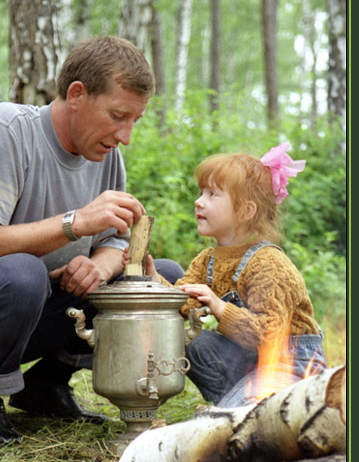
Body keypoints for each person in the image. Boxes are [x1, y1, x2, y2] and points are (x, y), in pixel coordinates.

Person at [0, 35, 183, 444]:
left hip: (35, 314)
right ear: (77, 94)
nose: (125, 135)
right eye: (117, 115)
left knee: (159, 275)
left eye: (135, 120)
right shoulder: (5, 128)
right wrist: (76, 222)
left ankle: (46, 385)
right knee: (24, 272)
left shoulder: (108, 156)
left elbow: (116, 243)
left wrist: (100, 266)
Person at [139, 143, 327, 405]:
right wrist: (155, 281)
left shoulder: (269, 264)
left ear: (245, 211)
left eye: (212, 194)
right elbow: (183, 302)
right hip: (252, 361)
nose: (198, 201)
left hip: (289, 364)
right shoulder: (209, 259)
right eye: (201, 192)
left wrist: (218, 306)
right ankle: (237, 403)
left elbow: (268, 336)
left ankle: (245, 409)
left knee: (236, 421)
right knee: (194, 343)